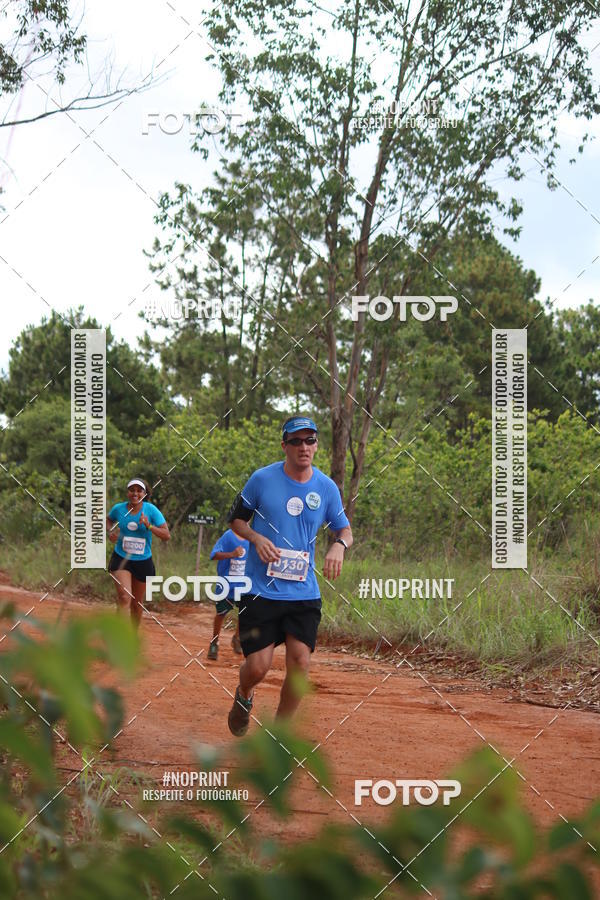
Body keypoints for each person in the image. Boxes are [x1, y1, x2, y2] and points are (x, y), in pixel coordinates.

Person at [226, 415, 353, 736]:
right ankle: (244, 695)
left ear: (316, 445)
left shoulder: (326, 487)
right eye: (296, 441)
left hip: (302, 592)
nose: (303, 447)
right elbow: (237, 521)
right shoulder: (261, 479)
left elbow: (345, 530)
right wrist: (256, 538)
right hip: (260, 591)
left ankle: (277, 738)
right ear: (284, 445)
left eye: (310, 440)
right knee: (257, 667)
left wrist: (338, 545)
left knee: (299, 666)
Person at [107, 477, 170, 627]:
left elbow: (166, 535)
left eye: (139, 490)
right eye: (132, 490)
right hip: (121, 559)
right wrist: (110, 532)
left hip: (143, 561)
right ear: (127, 493)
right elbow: (108, 520)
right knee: (124, 597)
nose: (135, 493)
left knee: (136, 603)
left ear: (145, 493)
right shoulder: (119, 509)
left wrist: (149, 526)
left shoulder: (151, 510)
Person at [207, 527, 250, 660]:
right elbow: (213, 555)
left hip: (244, 584)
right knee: (221, 614)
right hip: (226, 584)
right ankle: (214, 642)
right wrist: (232, 554)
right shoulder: (228, 536)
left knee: (246, 612)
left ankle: (237, 638)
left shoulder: (252, 536)